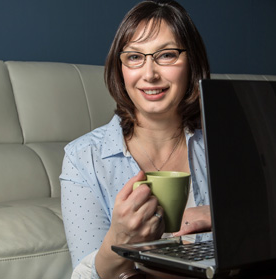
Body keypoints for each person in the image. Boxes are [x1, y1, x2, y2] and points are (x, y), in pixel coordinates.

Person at [60, 1, 212, 278]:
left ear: (192, 62)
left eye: (166, 55)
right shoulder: (83, 157)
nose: (150, 74)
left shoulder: (223, 146)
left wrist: (223, 219)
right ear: (120, 68)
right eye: (134, 57)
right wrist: (117, 240)